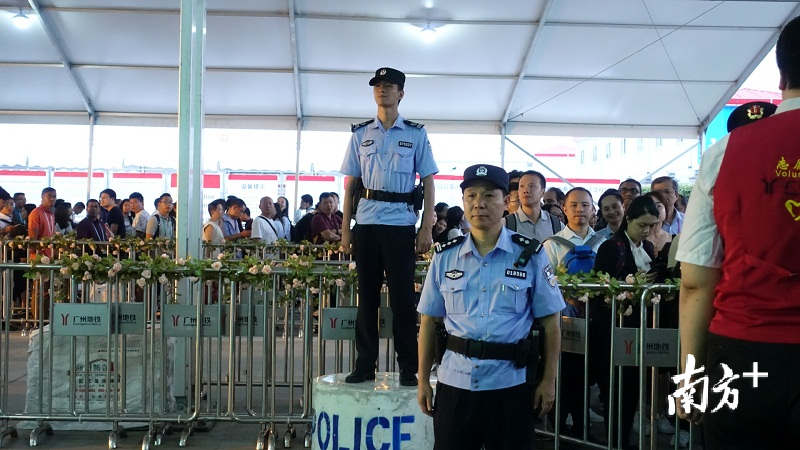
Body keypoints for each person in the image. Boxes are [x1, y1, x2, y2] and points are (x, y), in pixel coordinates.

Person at [675, 16, 800, 450]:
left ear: (781, 76)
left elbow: (696, 280)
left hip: (742, 356)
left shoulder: (725, 152)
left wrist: (690, 379)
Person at [417, 164, 564, 450]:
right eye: (471, 196)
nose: (479, 204)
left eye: (488, 196)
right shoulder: (445, 257)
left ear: (506, 202)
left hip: (510, 386)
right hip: (455, 384)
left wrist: (549, 380)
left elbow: (551, 323)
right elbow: (428, 322)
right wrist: (423, 380)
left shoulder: (531, 255)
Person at [340, 67, 438, 386]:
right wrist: (346, 228)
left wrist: (426, 227)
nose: (382, 90)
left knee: (403, 300)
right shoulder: (360, 133)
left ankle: (409, 367)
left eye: (389, 85)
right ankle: (364, 364)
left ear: (401, 93)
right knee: (366, 298)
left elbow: (428, 182)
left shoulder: (416, 133)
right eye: (378, 85)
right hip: (367, 222)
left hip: (400, 224)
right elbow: (351, 185)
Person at [590, 195, 659, 450]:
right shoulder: (612, 247)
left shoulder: (647, 248)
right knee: (615, 389)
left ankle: (624, 440)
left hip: (640, 327)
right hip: (613, 331)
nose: (647, 230)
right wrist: (630, 287)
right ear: (628, 219)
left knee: (633, 388)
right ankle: (616, 441)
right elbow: (601, 289)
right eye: (642, 225)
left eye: (651, 225)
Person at [542, 187, 605, 440]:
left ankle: (581, 428)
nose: (580, 210)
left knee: (589, 374)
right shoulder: (551, 245)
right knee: (564, 372)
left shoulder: (604, 243)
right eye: (574, 205)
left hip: (596, 320)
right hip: (563, 322)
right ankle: (559, 427)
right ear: (564, 209)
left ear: (593, 210)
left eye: (585, 205)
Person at [504, 170, 564, 241]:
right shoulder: (506, 223)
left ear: (542, 193)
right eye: (522, 186)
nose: (526, 190)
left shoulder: (556, 224)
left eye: (532, 186)